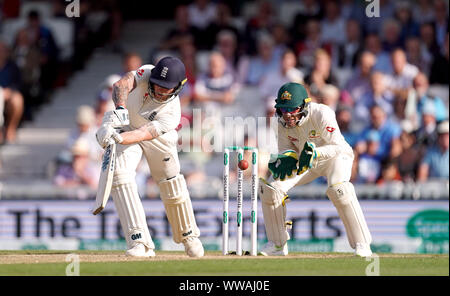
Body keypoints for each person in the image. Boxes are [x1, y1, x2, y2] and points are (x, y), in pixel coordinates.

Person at [95, 56, 204, 258]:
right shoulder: (146, 72)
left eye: (166, 88)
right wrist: (119, 109)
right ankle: (139, 242)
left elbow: (142, 134)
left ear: (178, 87)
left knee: (170, 182)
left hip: (156, 137)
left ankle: (188, 236)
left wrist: (115, 137)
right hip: (127, 125)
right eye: (157, 85)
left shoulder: (172, 113)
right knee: (119, 174)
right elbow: (121, 84)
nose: (160, 90)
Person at [258, 82, 372, 257]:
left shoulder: (322, 113)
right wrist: (286, 159)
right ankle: (277, 244)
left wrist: (315, 153)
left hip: (335, 157)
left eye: (292, 109)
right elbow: (286, 149)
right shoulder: (279, 120)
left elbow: (338, 146)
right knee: (271, 190)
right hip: (306, 162)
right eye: (283, 109)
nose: (287, 115)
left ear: (304, 105)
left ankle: (362, 244)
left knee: (339, 189)